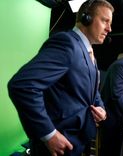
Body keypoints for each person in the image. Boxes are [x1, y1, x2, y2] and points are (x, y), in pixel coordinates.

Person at [7, 0, 114, 156]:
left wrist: (101, 109)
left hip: (79, 139)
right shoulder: (67, 43)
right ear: (86, 18)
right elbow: (23, 86)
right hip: (59, 144)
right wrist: (48, 134)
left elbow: (93, 91)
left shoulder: (89, 52)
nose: (109, 28)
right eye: (105, 21)